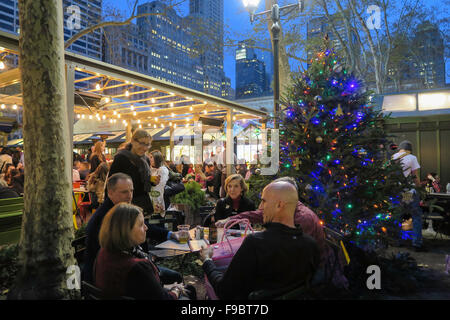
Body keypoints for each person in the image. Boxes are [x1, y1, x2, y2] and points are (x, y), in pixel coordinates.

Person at [215, 176, 348, 289]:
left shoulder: (302, 220)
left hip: (309, 275)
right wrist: (231, 219)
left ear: (281, 200)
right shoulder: (287, 209)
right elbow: (258, 214)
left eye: (264, 201)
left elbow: (292, 261)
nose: (261, 206)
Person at [200, 181, 320, 300]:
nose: (260, 207)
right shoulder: (311, 245)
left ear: (279, 205)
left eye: (264, 201)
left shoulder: (255, 243)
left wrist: (207, 260)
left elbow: (224, 291)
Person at [83, 173, 183, 284]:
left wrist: (170, 234)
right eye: (124, 192)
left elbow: (145, 227)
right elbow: (111, 259)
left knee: (176, 277)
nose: (130, 196)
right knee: (177, 281)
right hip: (113, 276)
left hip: (130, 267)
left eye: (131, 191)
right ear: (110, 193)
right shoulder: (106, 217)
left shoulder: (120, 209)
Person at [94, 202, 196, 300]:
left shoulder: (103, 252)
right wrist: (176, 290)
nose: (146, 228)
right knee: (189, 290)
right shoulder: (138, 267)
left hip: (125, 293)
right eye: (141, 224)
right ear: (126, 231)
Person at [108, 129, 159, 215]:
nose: (145, 148)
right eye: (142, 143)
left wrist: (152, 181)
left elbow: (143, 182)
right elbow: (111, 183)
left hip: (144, 204)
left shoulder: (145, 159)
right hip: (126, 205)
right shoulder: (121, 158)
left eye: (147, 145)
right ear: (132, 141)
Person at [392, 140, 425, 251]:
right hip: (408, 192)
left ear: (400, 148)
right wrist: (419, 187)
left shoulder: (393, 157)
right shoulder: (412, 157)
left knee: (397, 216)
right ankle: (416, 244)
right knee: (416, 216)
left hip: (396, 191)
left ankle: (396, 241)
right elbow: (414, 176)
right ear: (409, 149)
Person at [148, 150, 169, 214]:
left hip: (159, 198)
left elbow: (160, 187)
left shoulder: (162, 170)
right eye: (149, 157)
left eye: (151, 157)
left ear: (157, 158)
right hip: (151, 198)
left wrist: (158, 203)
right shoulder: (150, 169)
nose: (149, 159)